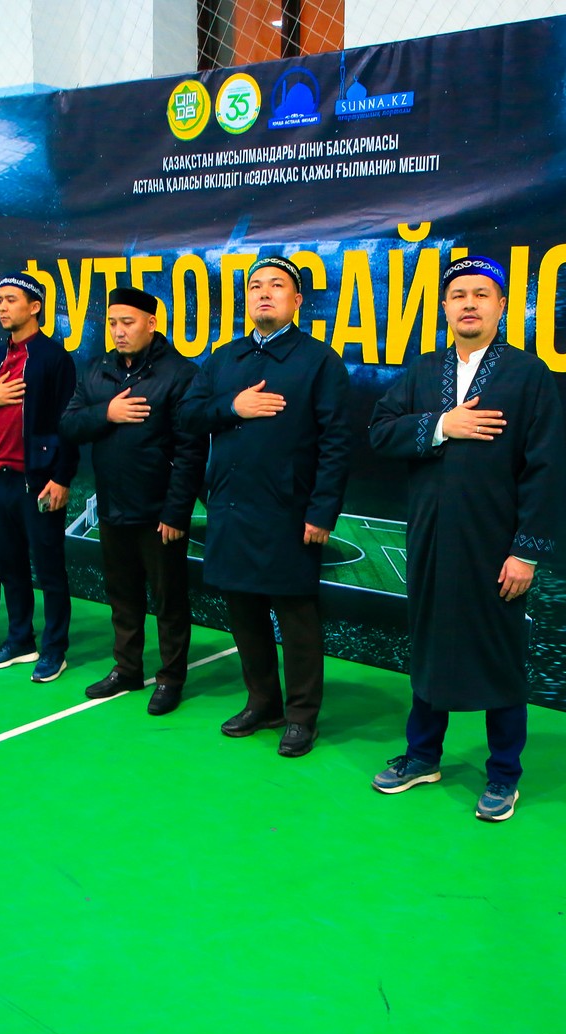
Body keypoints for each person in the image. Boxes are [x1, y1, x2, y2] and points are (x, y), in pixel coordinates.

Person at [366, 256, 563, 822]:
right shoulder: (424, 371)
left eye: (481, 294)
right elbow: (379, 432)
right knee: (429, 645)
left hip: (495, 544)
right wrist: (440, 425)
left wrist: (525, 551)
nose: (469, 303)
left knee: (499, 654)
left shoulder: (529, 374)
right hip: (432, 537)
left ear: (502, 306)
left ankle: (504, 774)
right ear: (445, 308)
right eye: (458, 295)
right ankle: (422, 756)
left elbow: (545, 468)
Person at [178, 256, 353, 757]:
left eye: (277, 286)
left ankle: (301, 716)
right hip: (231, 508)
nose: (264, 293)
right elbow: (188, 415)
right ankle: (263, 703)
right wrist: (232, 407)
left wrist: (322, 511)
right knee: (243, 611)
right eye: (255, 285)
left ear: (297, 300)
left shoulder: (319, 361)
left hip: (289, 512)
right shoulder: (224, 358)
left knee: (296, 618)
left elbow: (337, 443)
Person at [61, 286, 205, 715]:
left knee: (169, 600)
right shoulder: (98, 369)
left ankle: (171, 678)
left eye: (127, 322)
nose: (119, 331)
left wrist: (176, 511)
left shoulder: (180, 374)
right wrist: (107, 413)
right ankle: (126, 668)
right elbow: (69, 424)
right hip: (113, 506)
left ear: (151, 324)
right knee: (122, 595)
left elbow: (191, 451)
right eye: (112, 323)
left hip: (159, 513)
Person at [0, 272, 78, 683]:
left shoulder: (53, 358)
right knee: (10, 566)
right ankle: (20, 640)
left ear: (35, 306)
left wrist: (62, 477)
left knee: (49, 570)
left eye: (11, 299)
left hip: (39, 484)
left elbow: (70, 424)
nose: (2, 307)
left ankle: (54, 649)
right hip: (1, 481)